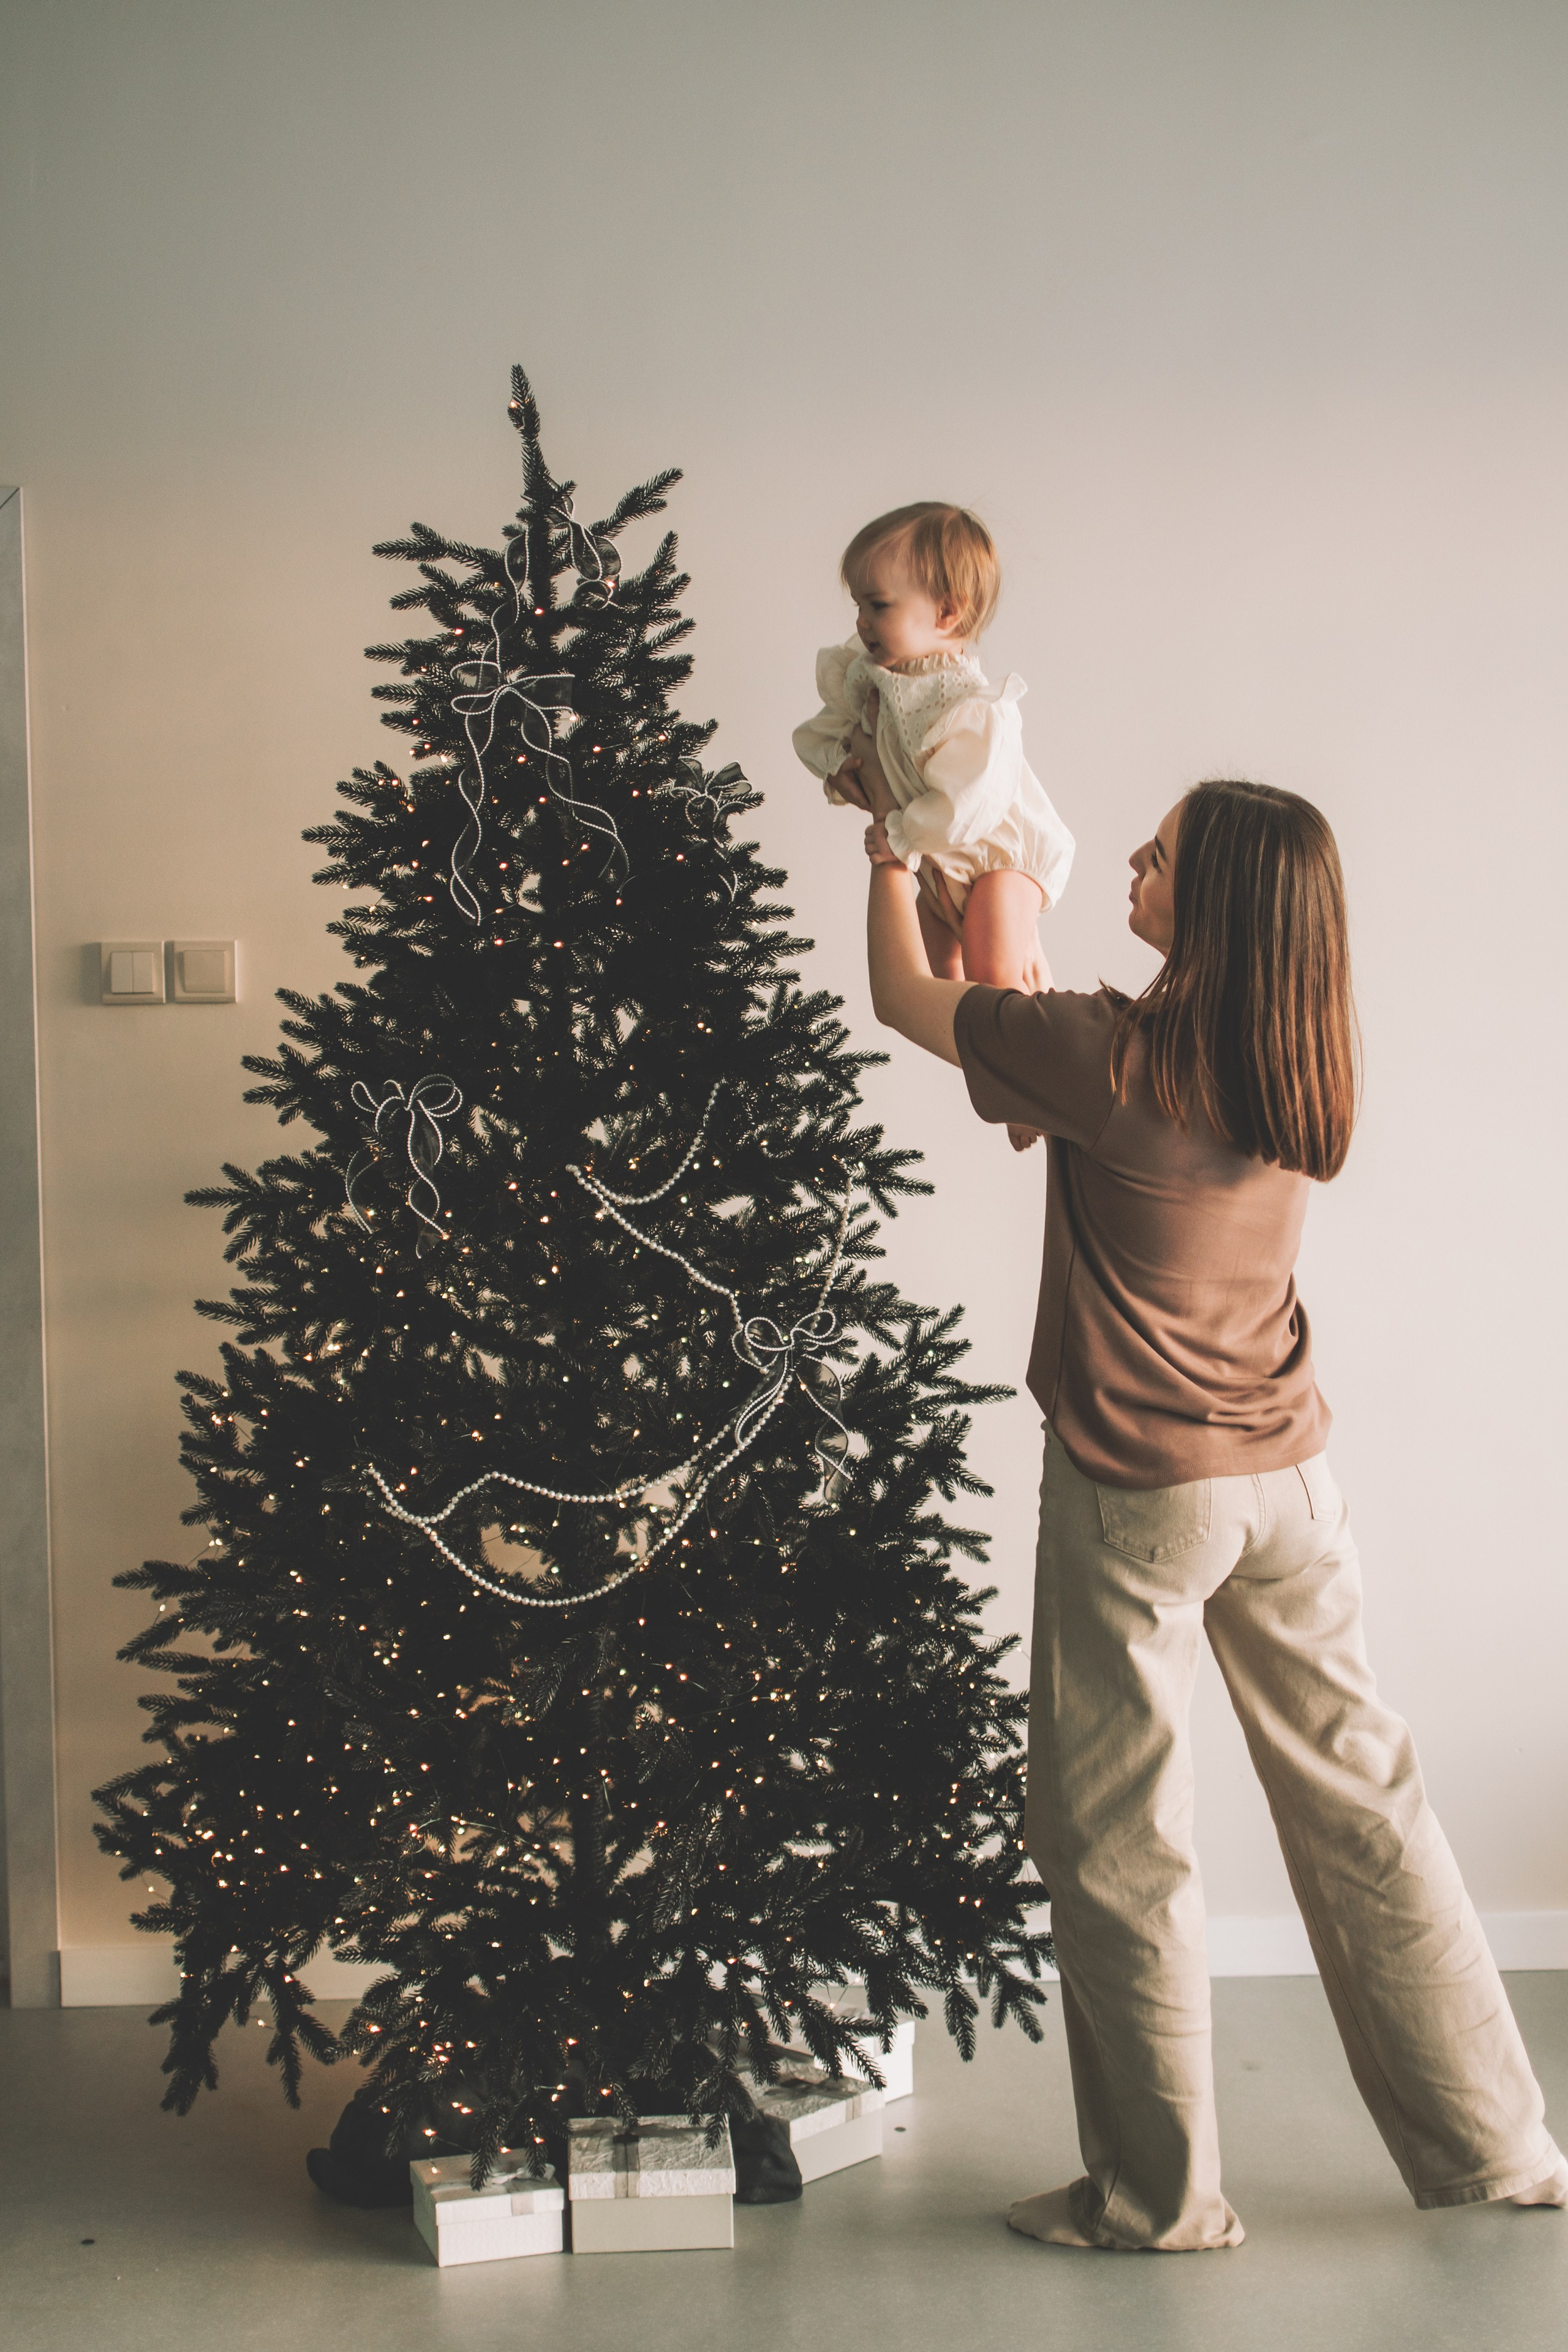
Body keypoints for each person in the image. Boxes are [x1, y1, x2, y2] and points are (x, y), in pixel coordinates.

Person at [854, 744, 1567, 2250]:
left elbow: (902, 1006)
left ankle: (1153, 2198)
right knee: (1367, 1810)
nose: (1129, 859)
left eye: (1158, 855)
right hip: (1287, 1480)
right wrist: (980, 927)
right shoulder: (1284, 1055)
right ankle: (1498, 2146)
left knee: (1115, 1839)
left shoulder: (1106, 1055)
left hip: (1142, 1491)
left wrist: (879, 862)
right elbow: (1023, 1061)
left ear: (1216, 901)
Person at [794, 506, 1074, 1160]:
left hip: (997, 857)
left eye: (879, 605)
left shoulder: (969, 705)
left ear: (946, 615)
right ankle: (1005, 1071)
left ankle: (1028, 1082)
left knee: (993, 967)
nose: (862, 621)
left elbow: (969, 804)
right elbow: (822, 735)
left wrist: (900, 835)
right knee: (934, 984)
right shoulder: (868, 677)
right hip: (933, 861)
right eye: (858, 604)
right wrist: (840, 768)